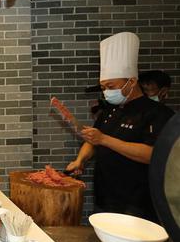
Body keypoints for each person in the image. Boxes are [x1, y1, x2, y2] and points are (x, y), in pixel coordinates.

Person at [66, 32, 174, 222]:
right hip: (105, 197)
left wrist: (105, 139)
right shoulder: (110, 110)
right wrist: (80, 160)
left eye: (111, 86)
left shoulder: (157, 113)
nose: (107, 92)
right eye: (104, 88)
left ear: (131, 81)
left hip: (138, 202)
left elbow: (152, 154)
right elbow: (93, 139)